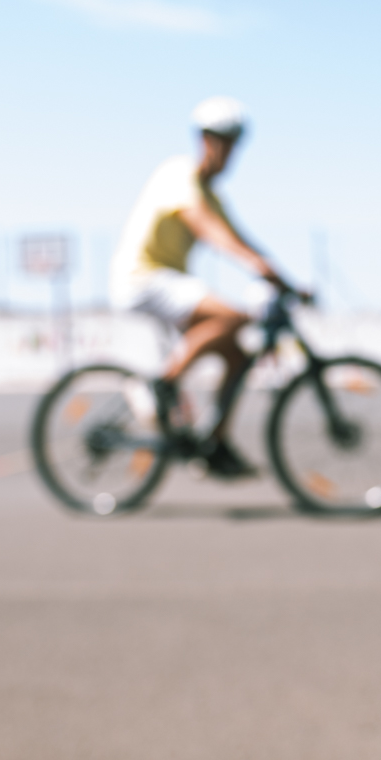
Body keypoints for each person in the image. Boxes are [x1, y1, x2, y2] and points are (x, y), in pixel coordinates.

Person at [109, 97, 301, 478]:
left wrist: (284, 278)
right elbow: (209, 230)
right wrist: (259, 267)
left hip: (170, 283)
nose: (225, 150)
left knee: (238, 355)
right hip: (143, 279)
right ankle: (162, 386)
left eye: (232, 142)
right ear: (202, 140)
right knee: (233, 317)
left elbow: (238, 237)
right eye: (218, 139)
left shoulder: (213, 195)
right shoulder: (178, 174)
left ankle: (214, 441)